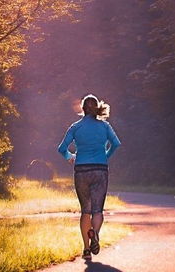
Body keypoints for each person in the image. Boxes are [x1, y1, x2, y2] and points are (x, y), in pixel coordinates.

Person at [57, 94, 121, 261]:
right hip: (100, 169)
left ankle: (86, 249)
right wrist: (106, 155)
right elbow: (116, 144)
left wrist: (70, 156)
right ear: (96, 108)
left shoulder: (75, 127)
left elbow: (61, 148)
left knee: (85, 210)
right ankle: (96, 234)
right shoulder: (105, 126)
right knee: (97, 210)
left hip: (81, 170)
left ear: (83, 109)